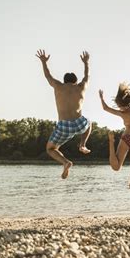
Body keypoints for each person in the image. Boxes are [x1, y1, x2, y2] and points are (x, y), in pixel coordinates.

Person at [36, 49, 92, 179]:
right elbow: (87, 76)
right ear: (75, 82)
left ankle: (65, 162)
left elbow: (48, 76)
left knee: (50, 149)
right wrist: (86, 62)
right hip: (79, 123)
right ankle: (83, 144)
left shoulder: (58, 86)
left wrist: (43, 62)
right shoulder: (80, 87)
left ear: (64, 81)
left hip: (63, 126)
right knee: (89, 123)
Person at [99, 71, 130, 189]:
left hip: (127, 137)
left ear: (121, 104)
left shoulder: (122, 113)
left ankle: (111, 142)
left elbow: (105, 108)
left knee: (116, 167)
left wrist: (101, 98)